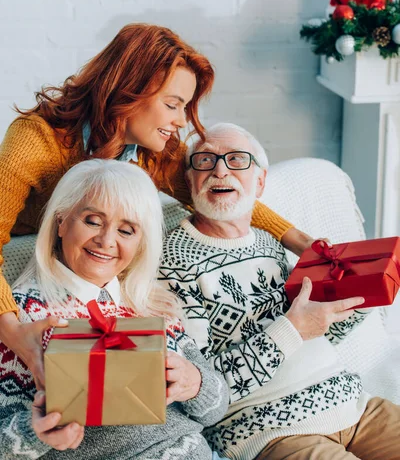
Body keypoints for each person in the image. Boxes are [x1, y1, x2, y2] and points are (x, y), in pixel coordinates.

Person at [0, 23, 317, 387]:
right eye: (173, 105)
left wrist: (298, 240)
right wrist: (13, 331)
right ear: (129, 90)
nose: (181, 121)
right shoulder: (36, 138)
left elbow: (221, 190)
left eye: (185, 107)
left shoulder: (152, 152)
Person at [159, 122, 400, 460]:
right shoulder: (173, 262)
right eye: (205, 161)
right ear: (190, 180)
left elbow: (316, 334)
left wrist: (359, 300)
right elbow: (204, 385)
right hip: (268, 431)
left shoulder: (269, 243)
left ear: (260, 181)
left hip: (356, 406)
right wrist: (292, 329)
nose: (220, 170)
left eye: (237, 160)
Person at [0, 159, 229, 459]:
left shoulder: (151, 302)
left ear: (140, 243)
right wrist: (37, 431)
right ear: (61, 222)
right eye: (93, 221)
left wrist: (195, 383)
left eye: (126, 230)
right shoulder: (22, 318)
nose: (106, 241)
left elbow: (216, 410)